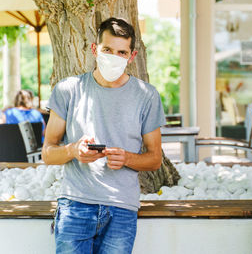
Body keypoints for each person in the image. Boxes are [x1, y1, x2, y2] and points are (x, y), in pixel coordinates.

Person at [43, 17, 165, 253]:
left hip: (122, 209)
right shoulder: (68, 89)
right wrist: (72, 150)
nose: (113, 57)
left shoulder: (147, 96)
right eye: (107, 49)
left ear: (132, 56)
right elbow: (47, 153)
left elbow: (155, 158)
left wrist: (127, 158)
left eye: (121, 52)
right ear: (94, 49)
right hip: (75, 204)